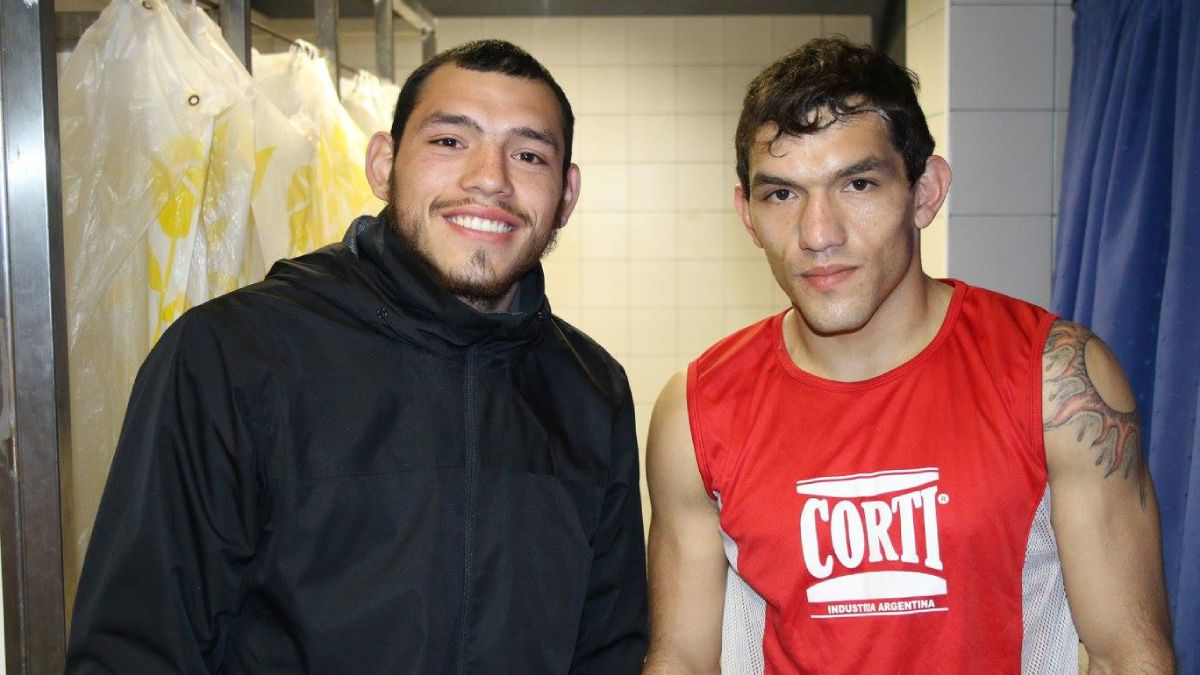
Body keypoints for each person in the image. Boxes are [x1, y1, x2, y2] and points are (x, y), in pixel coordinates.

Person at [67, 40, 648, 673]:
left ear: (565, 195)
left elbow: (608, 647)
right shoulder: (234, 355)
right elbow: (135, 648)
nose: (490, 178)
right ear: (382, 164)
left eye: (528, 154)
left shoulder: (590, 390)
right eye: (450, 141)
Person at [643, 37, 1175, 674]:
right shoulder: (698, 410)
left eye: (858, 183)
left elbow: (1128, 655)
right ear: (748, 215)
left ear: (926, 192)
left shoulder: (1055, 379)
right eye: (782, 194)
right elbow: (681, 660)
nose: (818, 235)